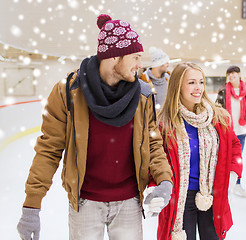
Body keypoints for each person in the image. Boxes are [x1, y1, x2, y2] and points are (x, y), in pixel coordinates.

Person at [16, 14, 173, 240]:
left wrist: (164, 180)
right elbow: (49, 150)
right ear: (114, 56)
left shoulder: (143, 94)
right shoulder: (68, 92)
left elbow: (153, 144)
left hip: (129, 202)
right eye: (136, 57)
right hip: (85, 202)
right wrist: (32, 206)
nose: (141, 64)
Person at [156, 62, 243, 240]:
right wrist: (155, 187)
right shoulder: (164, 124)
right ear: (177, 86)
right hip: (180, 198)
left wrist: (233, 173)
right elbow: (156, 161)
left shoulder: (218, 117)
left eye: (201, 82)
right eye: (191, 83)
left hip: (212, 194)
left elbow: (234, 146)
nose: (198, 88)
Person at [216, 65, 246, 198]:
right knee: (224, 158)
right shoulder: (223, 91)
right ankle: (223, 185)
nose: (231, 76)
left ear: (239, 74)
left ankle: (237, 185)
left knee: (237, 160)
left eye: (234, 73)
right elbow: (217, 110)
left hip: (242, 132)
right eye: (229, 74)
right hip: (227, 131)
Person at [139, 46, 170, 111]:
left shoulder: (169, 79)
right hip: (149, 119)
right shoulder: (143, 80)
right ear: (160, 63)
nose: (168, 65)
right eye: (166, 62)